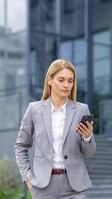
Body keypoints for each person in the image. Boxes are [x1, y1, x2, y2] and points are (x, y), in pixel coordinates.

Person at [14, 59, 96, 199]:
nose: (66, 85)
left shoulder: (82, 110)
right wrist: (28, 178)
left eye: (70, 81)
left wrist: (88, 138)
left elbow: (89, 153)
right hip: (43, 187)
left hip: (74, 187)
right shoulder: (34, 110)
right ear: (50, 80)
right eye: (61, 80)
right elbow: (21, 145)